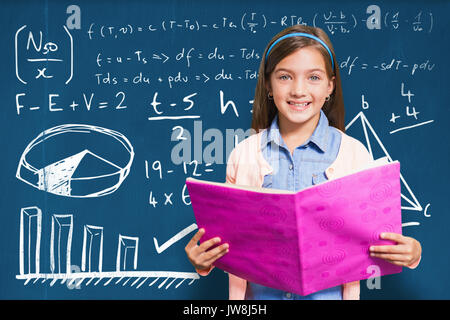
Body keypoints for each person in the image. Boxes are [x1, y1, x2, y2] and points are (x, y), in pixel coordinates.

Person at [185, 25, 422, 300]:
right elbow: (231, 243)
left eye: (313, 77)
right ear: (268, 85)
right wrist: (204, 262)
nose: (299, 90)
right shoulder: (244, 154)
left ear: (330, 86)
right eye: (285, 76)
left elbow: (374, 241)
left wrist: (411, 252)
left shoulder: (354, 155)